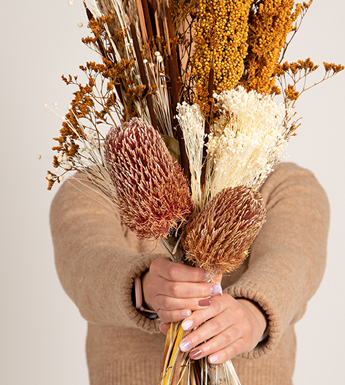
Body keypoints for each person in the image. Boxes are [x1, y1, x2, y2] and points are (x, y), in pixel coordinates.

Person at [50, 160, 329, 384]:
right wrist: (144, 287)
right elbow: (83, 262)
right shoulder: (94, 187)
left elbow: (294, 257)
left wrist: (252, 314)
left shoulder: (283, 183)